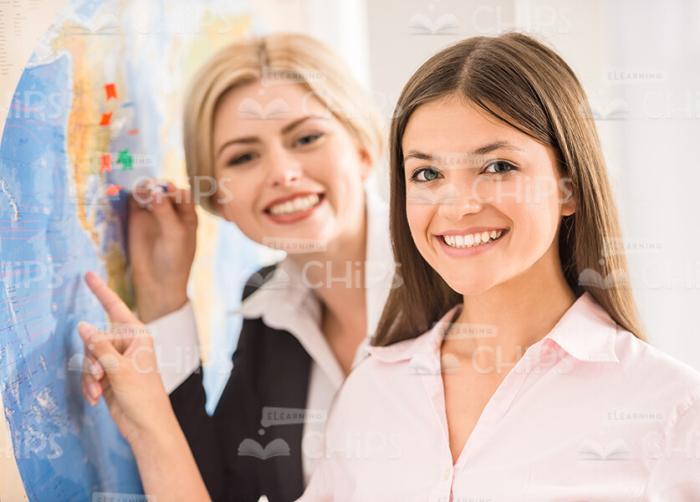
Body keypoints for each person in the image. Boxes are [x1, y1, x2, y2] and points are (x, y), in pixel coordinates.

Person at [78, 32, 700, 500]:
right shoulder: (353, 372)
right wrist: (160, 319)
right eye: (428, 173)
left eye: (497, 166)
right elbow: (224, 484)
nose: (458, 205)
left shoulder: (666, 407)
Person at [83, 33, 394, 501]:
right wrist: (165, 298)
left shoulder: (455, 273)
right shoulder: (268, 308)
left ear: (363, 149)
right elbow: (217, 487)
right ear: (218, 199)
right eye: (244, 157)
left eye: (307, 137)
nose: (282, 172)